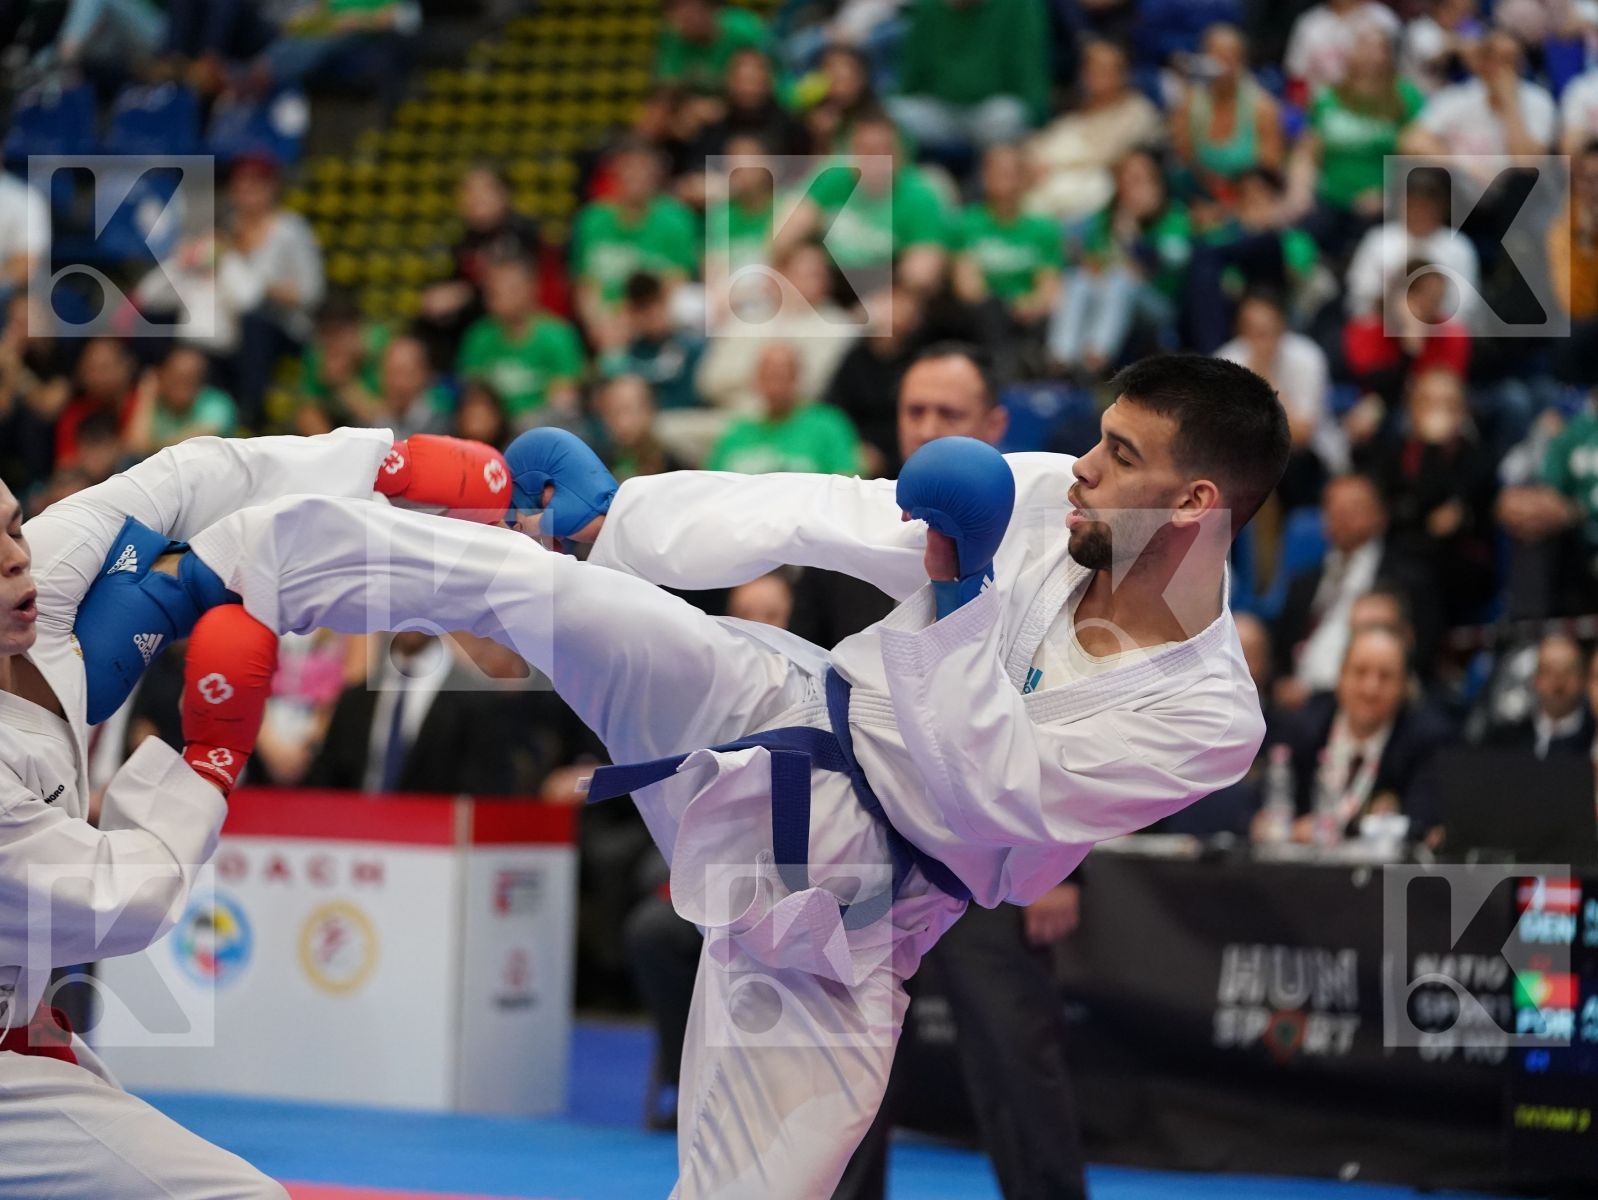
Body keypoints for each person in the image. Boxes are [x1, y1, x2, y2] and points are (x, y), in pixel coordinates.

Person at [181, 352, 1289, 1200]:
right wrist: (626, 522)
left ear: (1195, 504)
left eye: (1121, 457)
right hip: (785, 714)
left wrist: (960, 598)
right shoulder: (1052, 498)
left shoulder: (1205, 715)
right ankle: (235, 559)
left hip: (860, 913)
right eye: (1096, 442)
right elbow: (827, 511)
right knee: (555, 594)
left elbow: (991, 795)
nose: (1083, 471)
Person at [0, 426, 509, 1197]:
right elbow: (115, 904)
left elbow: (193, 475)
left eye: (9, 525)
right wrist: (209, 762)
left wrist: (385, 466)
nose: (14, 555)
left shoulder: (52, 567)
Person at [1259, 624, 1450, 844]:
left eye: (1385, 676)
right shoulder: (1303, 727)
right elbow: (1263, 810)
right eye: (1360, 672)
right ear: (1340, 677)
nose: (1370, 689)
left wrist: (1343, 831)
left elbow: (1420, 825)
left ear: (1405, 685)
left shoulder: (1426, 740)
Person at [1484, 634, 1595, 758]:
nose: (1558, 683)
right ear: (1535, 679)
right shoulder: (1507, 740)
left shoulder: (1593, 741)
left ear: (1583, 679)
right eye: (1548, 671)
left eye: (1568, 671)